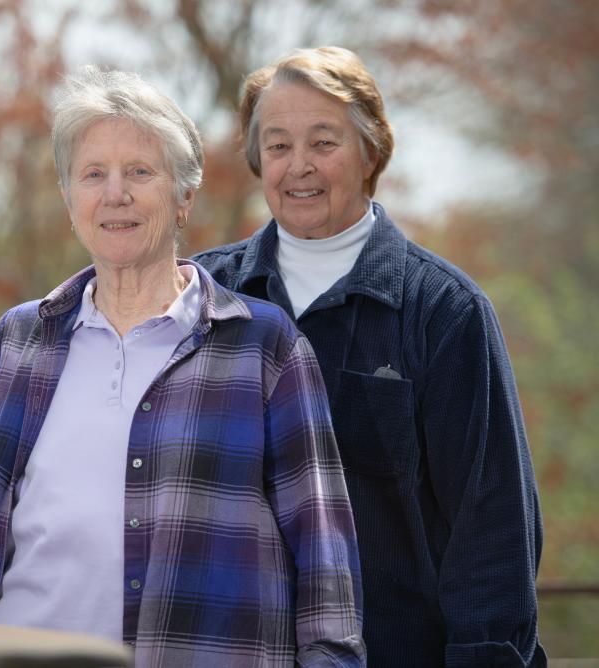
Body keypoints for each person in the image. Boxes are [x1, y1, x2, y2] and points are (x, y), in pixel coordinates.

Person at [0, 66, 365, 666]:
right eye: (93, 175)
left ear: (183, 198)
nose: (114, 194)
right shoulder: (19, 341)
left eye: (140, 172)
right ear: (70, 200)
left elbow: (326, 571)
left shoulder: (262, 346)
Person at [191, 47, 545, 666]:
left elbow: (493, 535)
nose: (298, 166)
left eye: (323, 142)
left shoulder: (444, 311)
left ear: (371, 151)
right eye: (277, 146)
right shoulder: (199, 297)